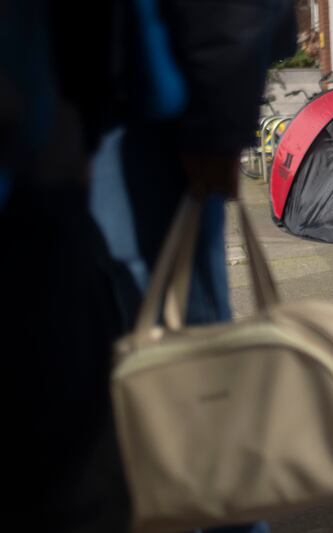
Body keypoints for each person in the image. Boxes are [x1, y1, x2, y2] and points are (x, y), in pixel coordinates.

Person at [1, 0, 296, 531]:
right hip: (83, 117)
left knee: (181, 355)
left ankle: (218, 512)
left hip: (140, 120)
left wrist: (217, 124)